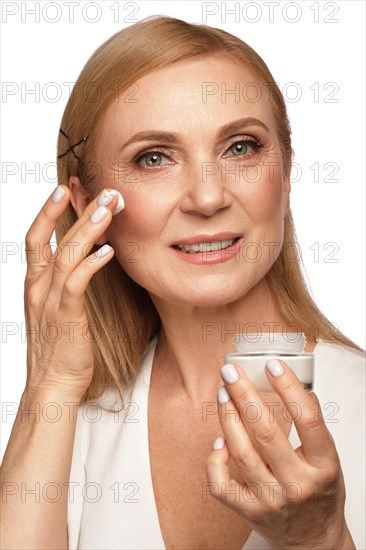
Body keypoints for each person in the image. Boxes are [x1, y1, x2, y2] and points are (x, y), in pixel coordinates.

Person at [1, 15, 364, 550]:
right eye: (154, 158)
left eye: (240, 147)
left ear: (285, 176)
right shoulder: (70, 423)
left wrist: (320, 539)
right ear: (85, 206)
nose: (208, 197)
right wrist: (48, 386)